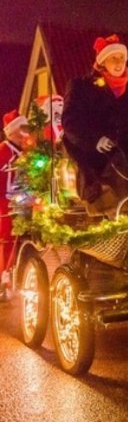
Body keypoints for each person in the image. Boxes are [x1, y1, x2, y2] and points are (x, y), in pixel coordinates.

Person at [61, 34, 128, 213]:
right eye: (113, 58)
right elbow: (71, 121)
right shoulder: (81, 86)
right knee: (123, 173)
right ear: (102, 62)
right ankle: (127, 216)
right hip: (97, 156)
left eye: (122, 58)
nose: (119, 63)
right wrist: (95, 140)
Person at [0, 111, 35, 298]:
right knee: (7, 240)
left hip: (21, 202)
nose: (26, 135)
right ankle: (4, 279)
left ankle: (17, 274)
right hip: (6, 206)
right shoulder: (4, 151)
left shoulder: (25, 153)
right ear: (13, 132)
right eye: (23, 130)